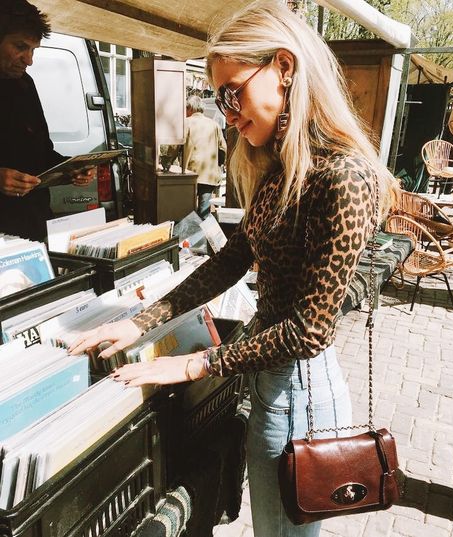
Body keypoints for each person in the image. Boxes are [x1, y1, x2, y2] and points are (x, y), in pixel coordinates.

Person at [69, 1, 396, 535]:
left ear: (283, 68)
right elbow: (232, 260)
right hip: (275, 383)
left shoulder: (345, 177)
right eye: (219, 97)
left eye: (233, 92)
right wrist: (139, 322)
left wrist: (196, 364)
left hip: (300, 393)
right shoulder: (284, 170)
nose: (227, 111)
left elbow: (311, 331)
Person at [0, 0, 93, 241]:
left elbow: (42, 153)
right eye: (20, 47)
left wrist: (70, 168)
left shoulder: (25, 85)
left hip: (33, 225)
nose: (28, 60)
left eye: (33, 50)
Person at [182, 95, 226, 219]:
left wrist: (167, 161)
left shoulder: (186, 123)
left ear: (190, 108)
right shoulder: (214, 124)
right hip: (209, 175)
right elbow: (223, 147)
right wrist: (219, 164)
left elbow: (174, 146)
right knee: (204, 211)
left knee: (187, 211)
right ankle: (203, 236)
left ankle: (191, 236)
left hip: (190, 174)